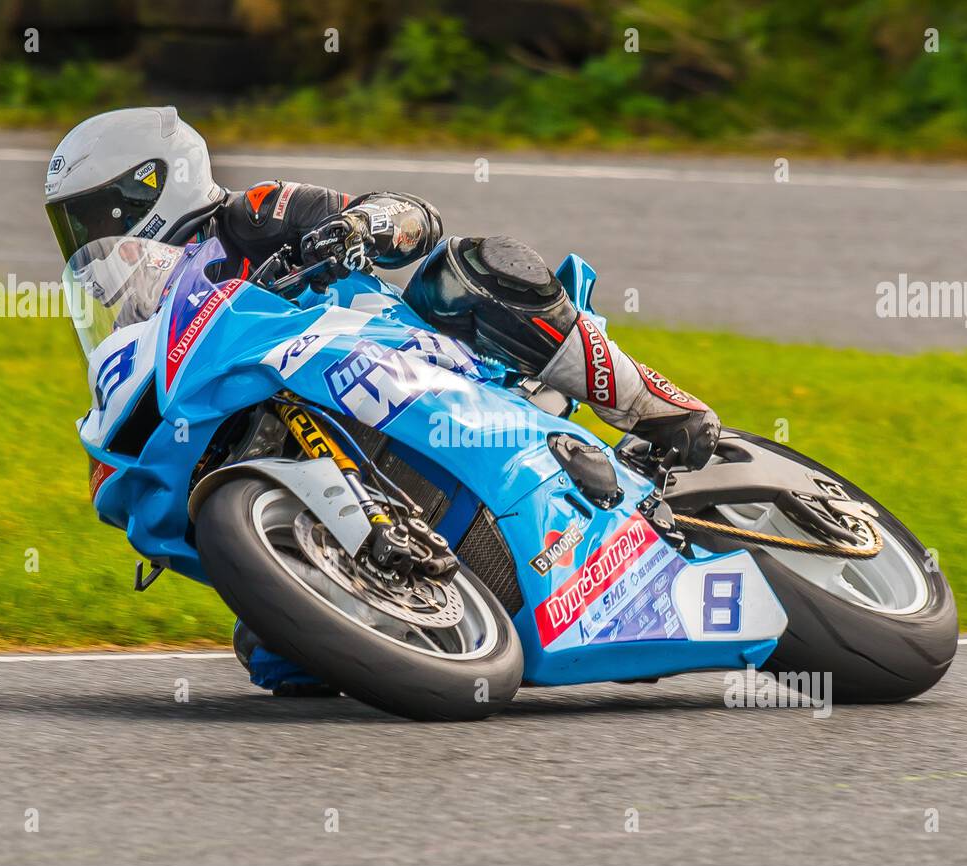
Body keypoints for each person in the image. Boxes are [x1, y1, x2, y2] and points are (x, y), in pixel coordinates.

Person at [46, 106, 722, 692]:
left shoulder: (251, 217)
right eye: (70, 229)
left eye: (92, 218)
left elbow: (411, 217)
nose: (87, 244)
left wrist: (359, 225)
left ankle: (646, 400)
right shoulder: (141, 326)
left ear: (150, 187)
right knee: (278, 658)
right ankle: (395, 584)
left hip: (413, 357)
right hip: (317, 446)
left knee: (474, 266)